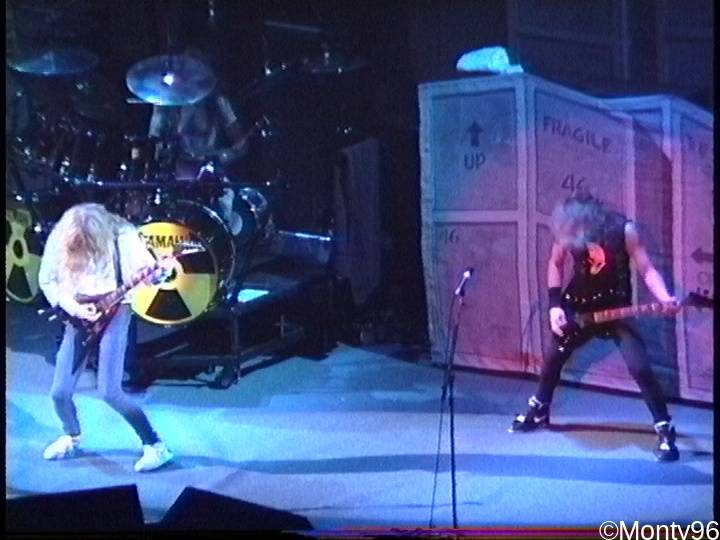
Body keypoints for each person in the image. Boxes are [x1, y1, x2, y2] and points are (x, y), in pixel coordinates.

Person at [509, 191, 681, 462]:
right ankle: (540, 409)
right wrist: (555, 306)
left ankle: (664, 427)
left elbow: (647, 269)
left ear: (586, 222)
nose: (566, 236)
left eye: (571, 230)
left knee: (639, 367)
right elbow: (555, 262)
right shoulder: (568, 229)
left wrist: (664, 297)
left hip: (616, 309)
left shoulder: (624, 230)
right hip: (578, 308)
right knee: (554, 357)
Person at [38, 203, 174, 472]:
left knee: (110, 392)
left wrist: (162, 273)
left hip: (115, 310)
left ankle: (156, 445)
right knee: (59, 393)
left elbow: (149, 275)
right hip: (78, 311)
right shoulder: (61, 234)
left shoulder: (124, 236)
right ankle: (71, 435)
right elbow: (48, 280)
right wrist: (75, 308)